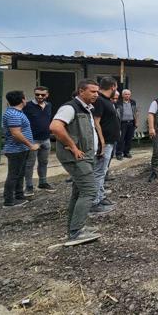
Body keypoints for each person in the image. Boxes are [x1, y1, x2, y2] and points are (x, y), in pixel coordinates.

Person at [49, 79, 102, 246]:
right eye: (92, 91)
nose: (96, 94)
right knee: (90, 191)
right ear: (81, 91)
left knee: (79, 192)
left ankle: (75, 227)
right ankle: (76, 232)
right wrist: (72, 146)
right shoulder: (70, 107)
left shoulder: (86, 109)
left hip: (85, 156)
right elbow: (56, 127)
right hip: (77, 157)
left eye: (97, 91)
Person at [2, 90, 40, 207]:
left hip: (21, 149)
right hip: (15, 150)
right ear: (23, 100)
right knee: (13, 175)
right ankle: (9, 201)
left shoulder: (16, 112)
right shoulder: (14, 114)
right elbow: (16, 133)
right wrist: (31, 145)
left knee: (20, 174)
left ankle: (19, 195)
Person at [90, 77, 120, 214]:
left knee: (102, 172)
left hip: (109, 142)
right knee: (99, 172)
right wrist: (101, 142)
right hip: (104, 143)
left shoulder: (106, 100)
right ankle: (94, 203)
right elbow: (96, 123)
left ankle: (101, 197)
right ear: (113, 87)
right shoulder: (100, 101)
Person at [22, 86, 55, 195]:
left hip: (46, 138)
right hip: (32, 139)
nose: (40, 97)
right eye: (37, 94)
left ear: (47, 95)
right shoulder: (27, 106)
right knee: (29, 164)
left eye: (42, 94)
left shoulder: (49, 105)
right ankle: (29, 186)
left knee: (44, 162)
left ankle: (43, 182)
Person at [115, 89, 137, 160]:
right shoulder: (118, 103)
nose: (127, 96)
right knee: (121, 139)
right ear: (122, 95)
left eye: (128, 94)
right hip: (122, 123)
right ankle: (118, 153)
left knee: (129, 139)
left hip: (131, 123)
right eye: (126, 94)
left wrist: (136, 122)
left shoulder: (133, 102)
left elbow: (135, 112)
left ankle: (126, 152)